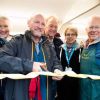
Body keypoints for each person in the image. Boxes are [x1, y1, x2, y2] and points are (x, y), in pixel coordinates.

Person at [0, 14, 62, 100]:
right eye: (37, 22)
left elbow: (56, 62)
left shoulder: (48, 45)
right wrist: (30, 65)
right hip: (22, 95)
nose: (40, 26)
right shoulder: (17, 41)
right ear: (28, 23)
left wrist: (57, 69)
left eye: (43, 24)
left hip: (45, 94)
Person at [56, 26, 81, 100]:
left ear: (76, 36)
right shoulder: (60, 49)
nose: (70, 36)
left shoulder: (80, 49)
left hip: (75, 82)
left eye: (73, 34)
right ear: (65, 36)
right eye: (68, 34)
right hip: (62, 82)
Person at [80, 16, 100, 100]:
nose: (93, 30)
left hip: (96, 94)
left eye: (97, 27)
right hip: (83, 92)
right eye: (91, 27)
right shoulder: (84, 45)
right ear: (86, 29)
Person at [0, 16, 13, 100]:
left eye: (5, 26)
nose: (3, 29)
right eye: (0, 26)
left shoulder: (15, 43)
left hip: (11, 84)